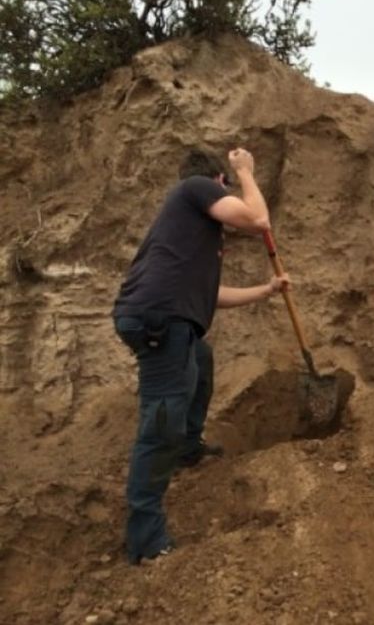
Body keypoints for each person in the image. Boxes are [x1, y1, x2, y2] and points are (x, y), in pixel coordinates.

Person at [112, 148, 288, 564]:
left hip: (168, 320)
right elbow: (257, 219)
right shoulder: (196, 187)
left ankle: (188, 448)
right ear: (218, 183)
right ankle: (146, 540)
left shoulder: (191, 240)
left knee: (200, 362)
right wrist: (246, 170)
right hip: (158, 321)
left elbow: (212, 297)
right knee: (162, 420)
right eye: (224, 185)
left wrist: (266, 291)